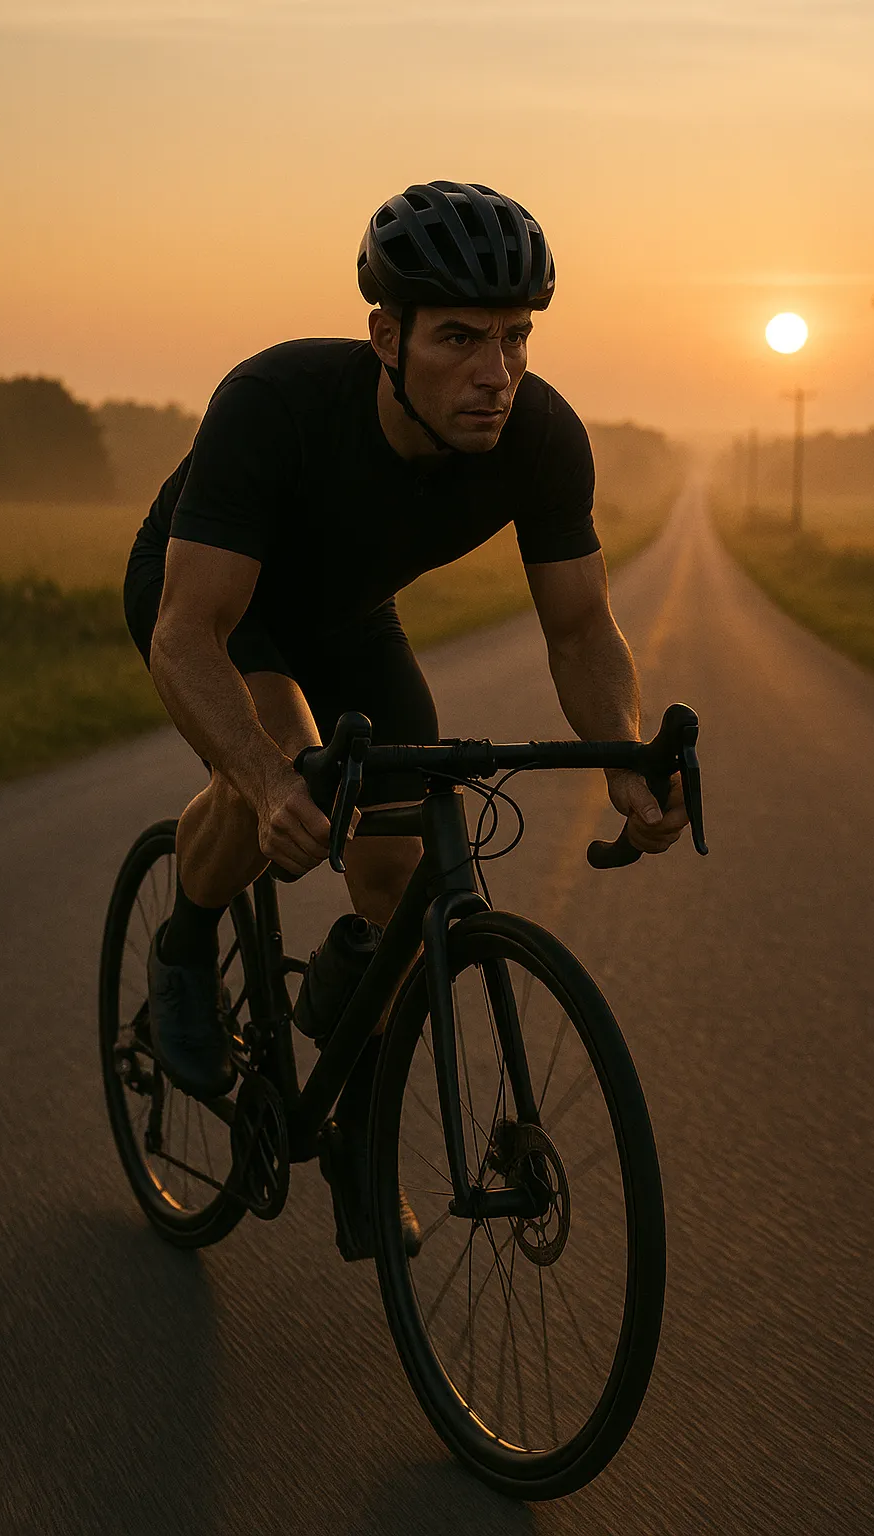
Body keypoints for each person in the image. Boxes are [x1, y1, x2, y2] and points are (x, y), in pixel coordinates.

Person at [122, 180, 688, 1254]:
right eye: (462, 338)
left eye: (517, 337)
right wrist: (264, 774)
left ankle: (351, 1123)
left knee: (399, 869)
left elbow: (579, 630)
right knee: (286, 775)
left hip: (345, 617)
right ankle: (185, 951)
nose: (497, 372)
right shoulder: (276, 403)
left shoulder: (540, 436)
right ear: (386, 334)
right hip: (209, 599)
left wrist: (622, 752)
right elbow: (185, 635)